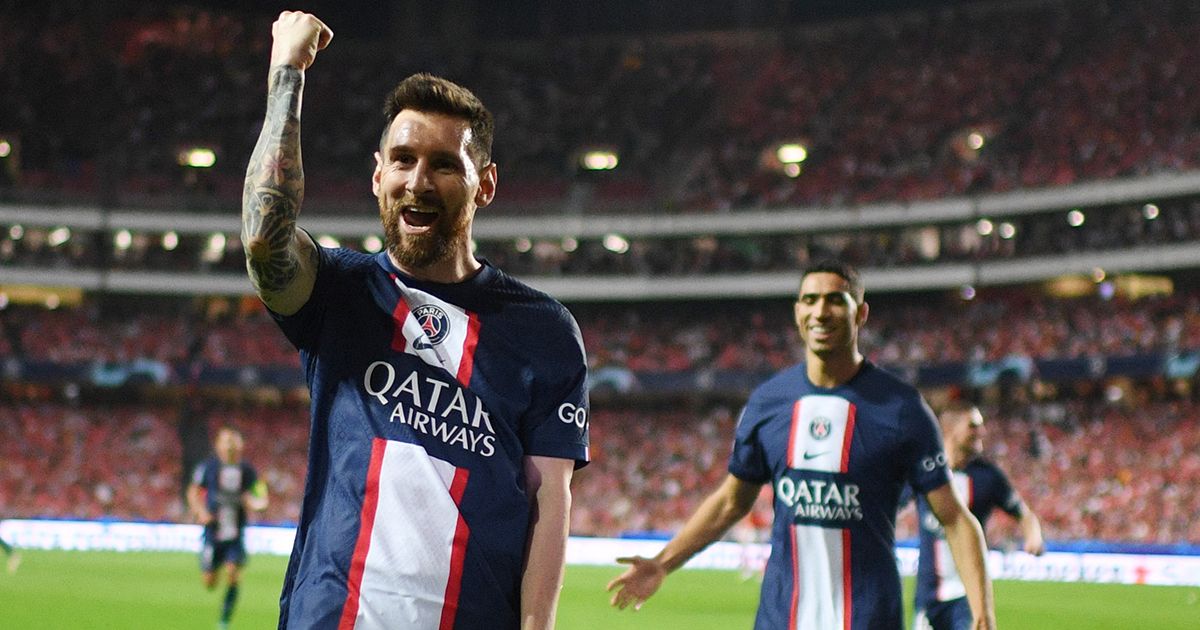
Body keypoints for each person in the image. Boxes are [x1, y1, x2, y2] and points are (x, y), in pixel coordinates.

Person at [241, 12, 590, 630]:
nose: (417, 182)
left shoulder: (543, 330)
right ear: (378, 175)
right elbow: (265, 240)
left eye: (444, 164)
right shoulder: (341, 291)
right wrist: (287, 73)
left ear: (485, 186)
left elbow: (548, 503)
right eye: (402, 160)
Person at [607, 260, 996, 630]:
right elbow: (731, 502)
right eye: (810, 300)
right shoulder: (769, 402)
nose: (821, 312)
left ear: (860, 314)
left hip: (867, 617)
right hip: (783, 617)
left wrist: (982, 612)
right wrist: (662, 563)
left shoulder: (901, 409)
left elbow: (955, 518)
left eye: (835, 300)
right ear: (797, 313)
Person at [910, 402, 1044, 630]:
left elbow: (1024, 514)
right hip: (927, 597)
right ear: (950, 429)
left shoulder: (988, 476)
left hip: (967, 596)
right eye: (973, 426)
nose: (981, 431)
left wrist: (1034, 536)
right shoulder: (925, 469)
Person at [186, 426, 269, 630]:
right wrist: (201, 512)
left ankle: (224, 620)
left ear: (240, 446)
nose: (230, 446)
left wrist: (259, 502)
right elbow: (193, 491)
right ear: (218, 446)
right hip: (213, 532)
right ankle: (216, 565)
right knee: (209, 582)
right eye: (226, 442)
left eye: (233, 442)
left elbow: (257, 492)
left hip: (235, 533)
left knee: (233, 574)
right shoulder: (209, 467)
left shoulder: (247, 470)